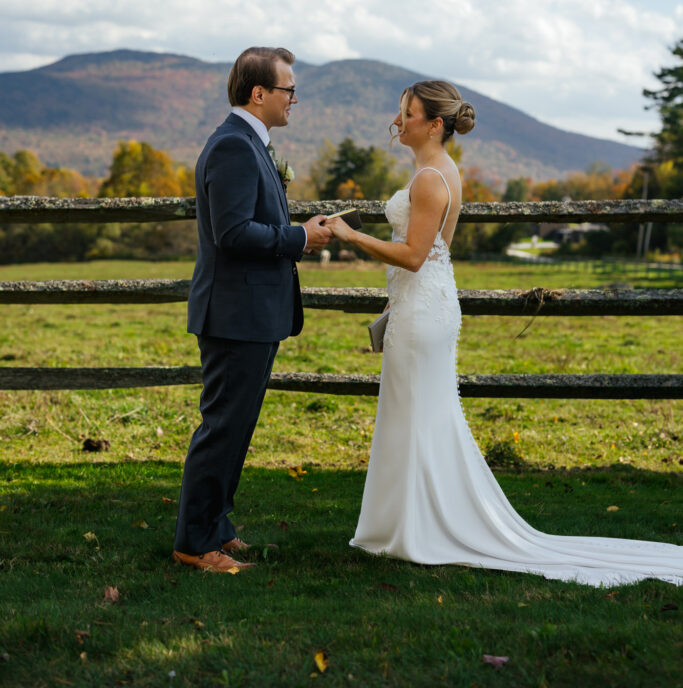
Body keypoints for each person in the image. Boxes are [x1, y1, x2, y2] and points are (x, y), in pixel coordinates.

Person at [325, 80, 683, 586]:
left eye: (408, 112)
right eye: (400, 110)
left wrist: (350, 234)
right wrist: (395, 299)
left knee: (419, 415)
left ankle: (422, 528)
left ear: (433, 124)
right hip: (422, 303)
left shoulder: (430, 178)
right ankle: (408, 523)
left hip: (424, 310)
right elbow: (432, 254)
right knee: (419, 414)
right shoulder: (441, 170)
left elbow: (413, 254)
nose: (398, 121)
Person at [173, 47, 332, 573]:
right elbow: (233, 232)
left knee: (236, 428)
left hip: (254, 313)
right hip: (234, 314)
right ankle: (195, 544)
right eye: (289, 90)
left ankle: (218, 527)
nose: (294, 100)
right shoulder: (233, 148)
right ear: (258, 94)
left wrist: (295, 233)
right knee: (221, 428)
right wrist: (298, 237)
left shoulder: (252, 145)